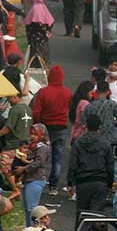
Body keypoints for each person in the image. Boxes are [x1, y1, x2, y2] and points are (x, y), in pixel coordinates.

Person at [32, 66, 72, 195]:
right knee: (57, 158)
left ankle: (36, 180)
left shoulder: (43, 92)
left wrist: (36, 124)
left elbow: (37, 111)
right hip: (61, 127)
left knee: (40, 155)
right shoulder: (67, 92)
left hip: (46, 127)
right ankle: (53, 186)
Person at [68, 115, 115, 212]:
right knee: (95, 216)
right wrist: (110, 185)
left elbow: (73, 164)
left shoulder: (78, 143)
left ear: (86, 126)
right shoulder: (105, 144)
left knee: (82, 214)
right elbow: (110, 166)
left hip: (82, 181)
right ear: (99, 127)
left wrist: (70, 183)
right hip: (100, 182)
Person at [16, 124, 51, 226]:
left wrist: (24, 169)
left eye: (35, 134)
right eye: (31, 134)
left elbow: (38, 162)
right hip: (28, 179)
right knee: (27, 209)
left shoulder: (43, 147)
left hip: (36, 179)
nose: (32, 136)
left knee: (32, 209)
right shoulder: (33, 145)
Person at [83, 80, 117, 155]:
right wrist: (113, 124)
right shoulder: (112, 104)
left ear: (96, 91)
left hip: (94, 140)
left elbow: (84, 124)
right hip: (109, 140)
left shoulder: (90, 106)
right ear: (108, 91)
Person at [24, 0, 55, 66]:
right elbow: (50, 21)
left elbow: (33, 23)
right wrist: (47, 31)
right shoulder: (43, 7)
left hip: (36, 40)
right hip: (44, 40)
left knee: (36, 59)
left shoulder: (34, 9)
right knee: (44, 59)